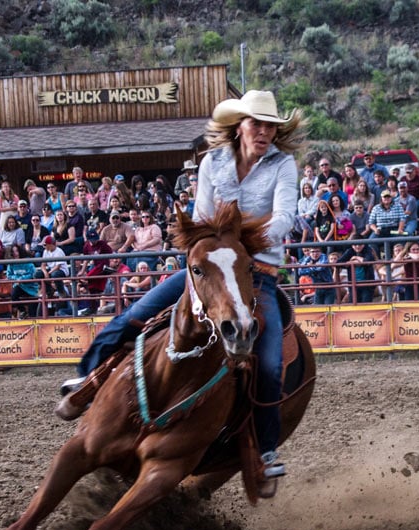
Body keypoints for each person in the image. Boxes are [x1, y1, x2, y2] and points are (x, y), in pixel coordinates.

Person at [59, 90, 304, 483]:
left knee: (272, 363)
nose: (263, 131)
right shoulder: (212, 163)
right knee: (132, 318)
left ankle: (265, 447)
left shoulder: (283, 165)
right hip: (209, 269)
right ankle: (87, 381)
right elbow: (200, 216)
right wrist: (216, 250)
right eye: (256, 123)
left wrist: (240, 244)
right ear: (239, 126)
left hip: (256, 272)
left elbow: (286, 217)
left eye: (270, 125)